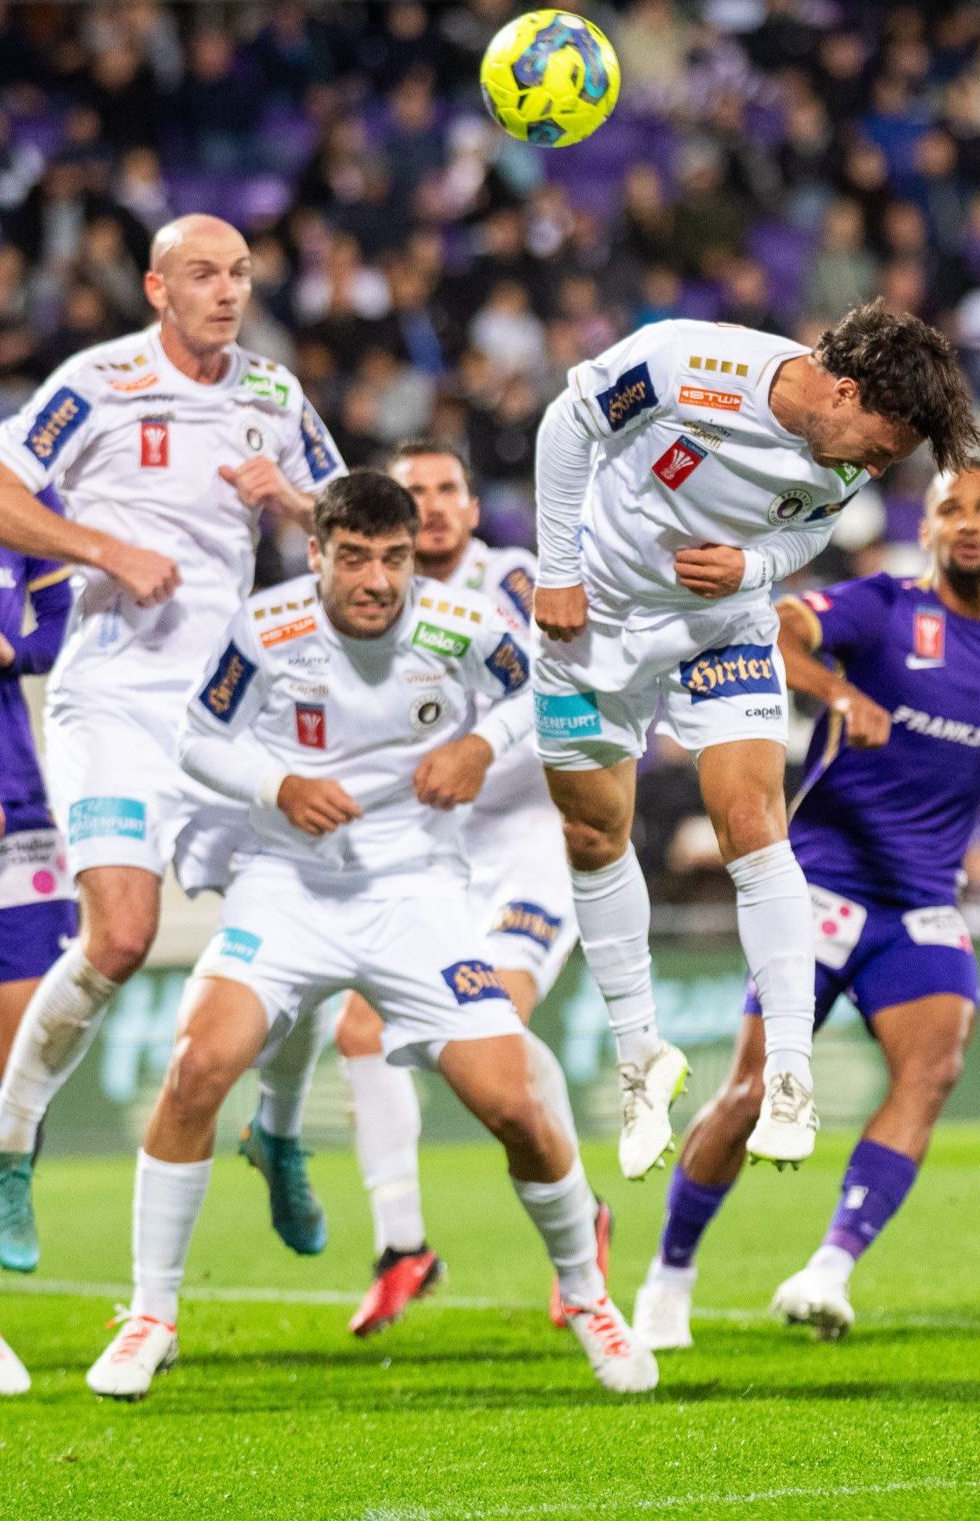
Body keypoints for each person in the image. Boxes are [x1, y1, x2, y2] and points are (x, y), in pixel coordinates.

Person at [84, 472, 655, 1400]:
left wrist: (480, 745)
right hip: (287, 888)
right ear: (318, 554)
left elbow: (538, 689)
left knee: (512, 1101)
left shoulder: (460, 624)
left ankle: (590, 1299)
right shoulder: (267, 629)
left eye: (393, 559)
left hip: (417, 895)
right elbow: (196, 738)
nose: (378, 580)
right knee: (196, 1063)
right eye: (354, 557)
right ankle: (151, 1314)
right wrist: (278, 787)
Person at [530, 299, 979, 1180]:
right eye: (880, 448)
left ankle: (788, 1072)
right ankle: (640, 1061)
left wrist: (756, 567)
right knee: (591, 835)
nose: (875, 469)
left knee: (753, 825)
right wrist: (556, 569)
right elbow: (566, 421)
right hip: (598, 618)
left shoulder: (848, 456)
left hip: (719, 628)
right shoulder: (683, 363)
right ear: (844, 391)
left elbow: (807, 525)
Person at [633, 462, 980, 1347]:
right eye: (951, 509)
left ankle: (827, 1270)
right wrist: (837, 690)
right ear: (929, 530)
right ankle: (667, 1278)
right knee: (752, 1092)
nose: (969, 522)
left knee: (933, 1071)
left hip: (918, 904)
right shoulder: (883, 606)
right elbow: (771, 630)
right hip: (820, 887)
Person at [0, 214, 344, 1273]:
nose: (227, 291)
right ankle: (9, 1149)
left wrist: (289, 500)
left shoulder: (275, 395)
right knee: (120, 936)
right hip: (112, 701)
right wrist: (102, 545)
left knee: (323, 928)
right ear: (156, 286)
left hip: (229, 707)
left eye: (239, 273)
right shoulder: (95, 381)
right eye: (203, 273)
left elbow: (356, 521)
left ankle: (275, 1128)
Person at [319, 441, 605, 1337]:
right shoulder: (367, 609)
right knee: (360, 1025)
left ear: (473, 510)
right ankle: (402, 1243)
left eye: (449, 489)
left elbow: (562, 684)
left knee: (494, 1028)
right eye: (415, 494)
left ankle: (580, 1218)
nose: (434, 505)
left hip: (527, 839)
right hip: (430, 845)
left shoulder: (513, 580)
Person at [0, 493, 74, 1400]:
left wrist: (13, 650)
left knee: (26, 1069)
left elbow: (66, 628)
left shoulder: (15, 502)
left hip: (16, 804)